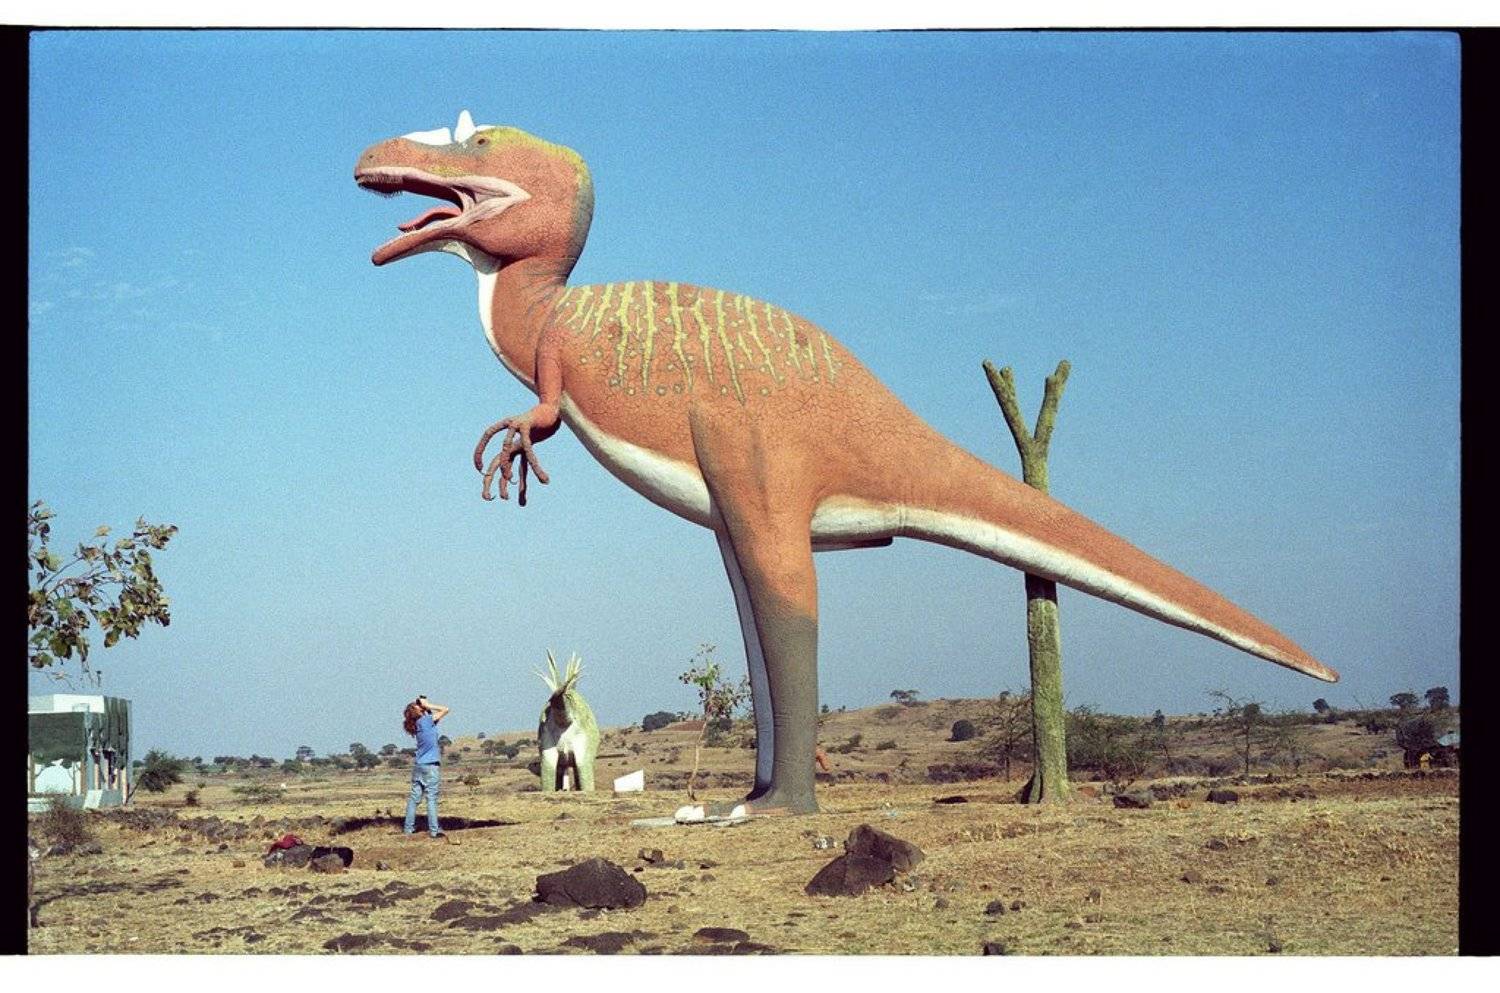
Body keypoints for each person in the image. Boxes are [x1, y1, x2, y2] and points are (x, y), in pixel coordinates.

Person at [402, 695, 450, 838]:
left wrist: (425, 708)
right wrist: (428, 705)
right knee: (431, 798)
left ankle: (408, 829)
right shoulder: (426, 721)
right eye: (418, 706)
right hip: (431, 766)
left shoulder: (418, 724)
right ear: (417, 711)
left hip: (419, 765)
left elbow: (434, 719)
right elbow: (445, 709)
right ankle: (434, 831)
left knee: (414, 798)